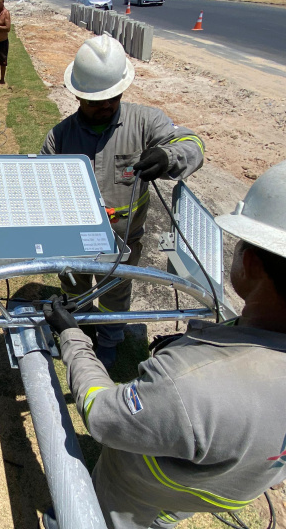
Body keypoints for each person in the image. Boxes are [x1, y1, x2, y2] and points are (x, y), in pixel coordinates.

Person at [42, 145, 286, 529]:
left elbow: (101, 413)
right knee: (165, 516)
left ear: (250, 261)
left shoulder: (188, 388)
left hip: (140, 490)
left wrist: (73, 336)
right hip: (222, 488)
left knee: (108, 516)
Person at [40, 35, 204, 368]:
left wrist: (168, 155)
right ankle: (80, 332)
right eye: (95, 101)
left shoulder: (146, 122)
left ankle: (111, 339)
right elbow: (43, 190)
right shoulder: (59, 137)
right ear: (77, 95)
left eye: (112, 98)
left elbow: (192, 144)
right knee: (74, 288)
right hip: (73, 243)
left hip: (124, 241)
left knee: (116, 294)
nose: (105, 106)